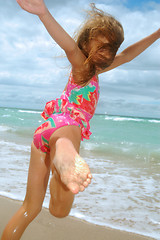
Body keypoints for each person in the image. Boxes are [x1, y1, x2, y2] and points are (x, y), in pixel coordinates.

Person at [1, 0, 160, 239]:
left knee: (35, 209)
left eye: (112, 49)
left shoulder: (97, 69)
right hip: (64, 127)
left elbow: (128, 55)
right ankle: (63, 157)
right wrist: (44, 13)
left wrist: (157, 34)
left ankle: (60, 165)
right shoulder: (82, 67)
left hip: (44, 132)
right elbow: (69, 47)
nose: (109, 54)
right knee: (69, 133)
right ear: (86, 45)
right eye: (102, 48)